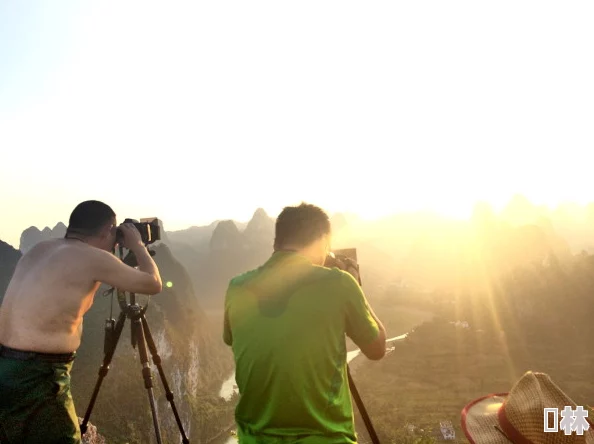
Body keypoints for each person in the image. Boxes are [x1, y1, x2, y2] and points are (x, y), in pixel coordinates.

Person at [0, 200, 163, 443]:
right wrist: (138, 245)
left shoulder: (39, 248)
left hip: (5, 366)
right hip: (40, 375)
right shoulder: (94, 257)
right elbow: (153, 284)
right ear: (108, 230)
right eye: (115, 232)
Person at [223, 202, 387, 443]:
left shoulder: (236, 287)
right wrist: (355, 285)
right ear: (322, 241)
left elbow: (232, 339)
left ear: (277, 242)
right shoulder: (340, 283)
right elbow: (377, 349)